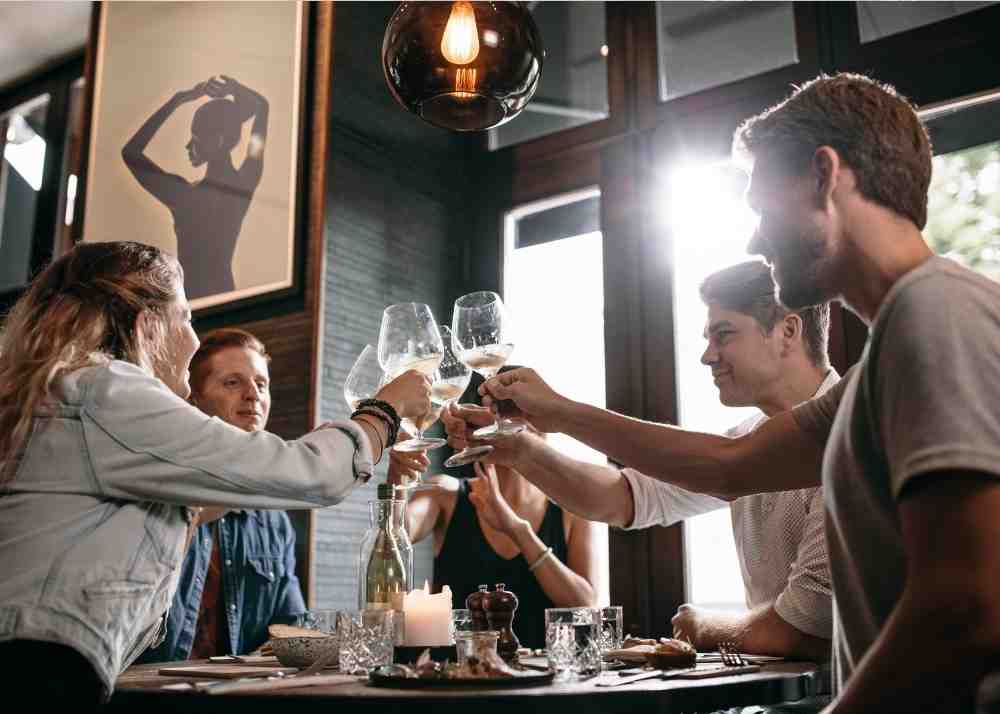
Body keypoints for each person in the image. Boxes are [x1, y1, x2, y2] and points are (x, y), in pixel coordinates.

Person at [447, 74, 1000, 713]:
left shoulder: (933, 311)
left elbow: (967, 605)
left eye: (763, 206)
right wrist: (555, 416)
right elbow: (729, 465)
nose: (756, 240)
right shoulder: (880, 365)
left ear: (825, 175)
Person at [0, 241, 430, 708]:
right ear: (150, 328)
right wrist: (384, 412)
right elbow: (309, 473)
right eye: (187, 317)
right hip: (36, 672)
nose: (192, 336)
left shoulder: (67, 391)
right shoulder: (109, 391)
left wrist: (374, 453)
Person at [613, 260, 837, 665]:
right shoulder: (743, 440)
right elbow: (623, 496)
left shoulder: (848, 431)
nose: (706, 356)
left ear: (788, 331)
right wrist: (523, 448)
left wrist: (701, 627)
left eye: (724, 334)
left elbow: (804, 625)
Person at [388, 370, 601, 649]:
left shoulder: (571, 509)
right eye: (495, 413)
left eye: (516, 413)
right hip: (460, 679)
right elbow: (394, 534)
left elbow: (584, 604)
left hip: (543, 680)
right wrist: (397, 474)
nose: (502, 424)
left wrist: (517, 529)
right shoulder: (446, 494)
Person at [140, 328, 306, 663]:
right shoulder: (154, 490)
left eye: (261, 384)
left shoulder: (273, 519)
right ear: (193, 399)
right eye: (233, 382)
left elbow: (292, 626)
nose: (252, 395)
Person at [122, 75, 267, 300]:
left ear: (218, 141)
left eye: (196, 138)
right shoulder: (246, 181)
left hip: (192, 301)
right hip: (225, 296)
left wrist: (178, 100)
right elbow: (262, 107)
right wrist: (236, 88)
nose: (188, 146)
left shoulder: (184, 195)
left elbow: (130, 153)